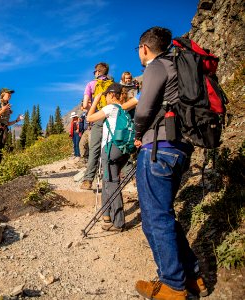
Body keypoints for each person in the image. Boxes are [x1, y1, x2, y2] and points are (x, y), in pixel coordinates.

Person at [133, 27, 207, 299]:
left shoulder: (157, 65)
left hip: (157, 149)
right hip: (180, 149)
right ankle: (193, 277)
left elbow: (143, 108)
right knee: (165, 214)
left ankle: (172, 286)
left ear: (144, 48)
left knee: (154, 219)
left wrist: (138, 135)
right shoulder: (179, 65)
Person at [86, 82, 130, 231]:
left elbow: (89, 118)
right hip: (123, 150)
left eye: (106, 95)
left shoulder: (111, 108)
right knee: (107, 180)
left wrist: (96, 100)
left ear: (111, 95)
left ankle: (119, 222)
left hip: (110, 148)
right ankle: (107, 217)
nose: (105, 98)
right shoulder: (124, 110)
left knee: (112, 182)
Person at [80, 62, 111, 190]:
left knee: (94, 148)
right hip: (112, 116)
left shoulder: (91, 84)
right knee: (111, 145)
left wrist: (93, 110)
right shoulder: (113, 85)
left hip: (98, 116)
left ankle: (88, 180)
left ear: (97, 72)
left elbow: (86, 103)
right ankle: (123, 175)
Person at [0, 88, 22, 167]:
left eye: (10, 94)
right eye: (8, 93)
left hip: (3, 131)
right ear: (2, 95)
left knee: (0, 152)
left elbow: (6, 123)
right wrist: (3, 110)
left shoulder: (6, 106)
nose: (10, 95)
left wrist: (17, 120)